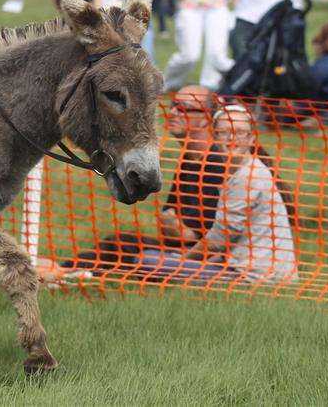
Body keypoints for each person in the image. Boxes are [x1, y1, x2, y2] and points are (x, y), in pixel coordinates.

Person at [60, 86, 223, 271]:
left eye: (184, 107)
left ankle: (64, 271)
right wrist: (174, 227)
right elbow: (169, 227)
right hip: (178, 249)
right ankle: (66, 270)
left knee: (121, 246)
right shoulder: (190, 157)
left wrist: (176, 228)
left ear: (207, 118)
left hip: (201, 258)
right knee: (121, 243)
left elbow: (198, 237)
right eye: (174, 105)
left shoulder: (217, 163)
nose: (173, 112)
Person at [139, 105, 298, 284]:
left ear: (252, 138)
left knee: (145, 260)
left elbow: (220, 238)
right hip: (244, 266)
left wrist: (184, 260)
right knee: (154, 256)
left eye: (240, 132)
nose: (232, 138)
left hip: (255, 276)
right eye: (224, 131)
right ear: (214, 136)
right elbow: (227, 241)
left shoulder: (247, 176)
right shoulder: (238, 172)